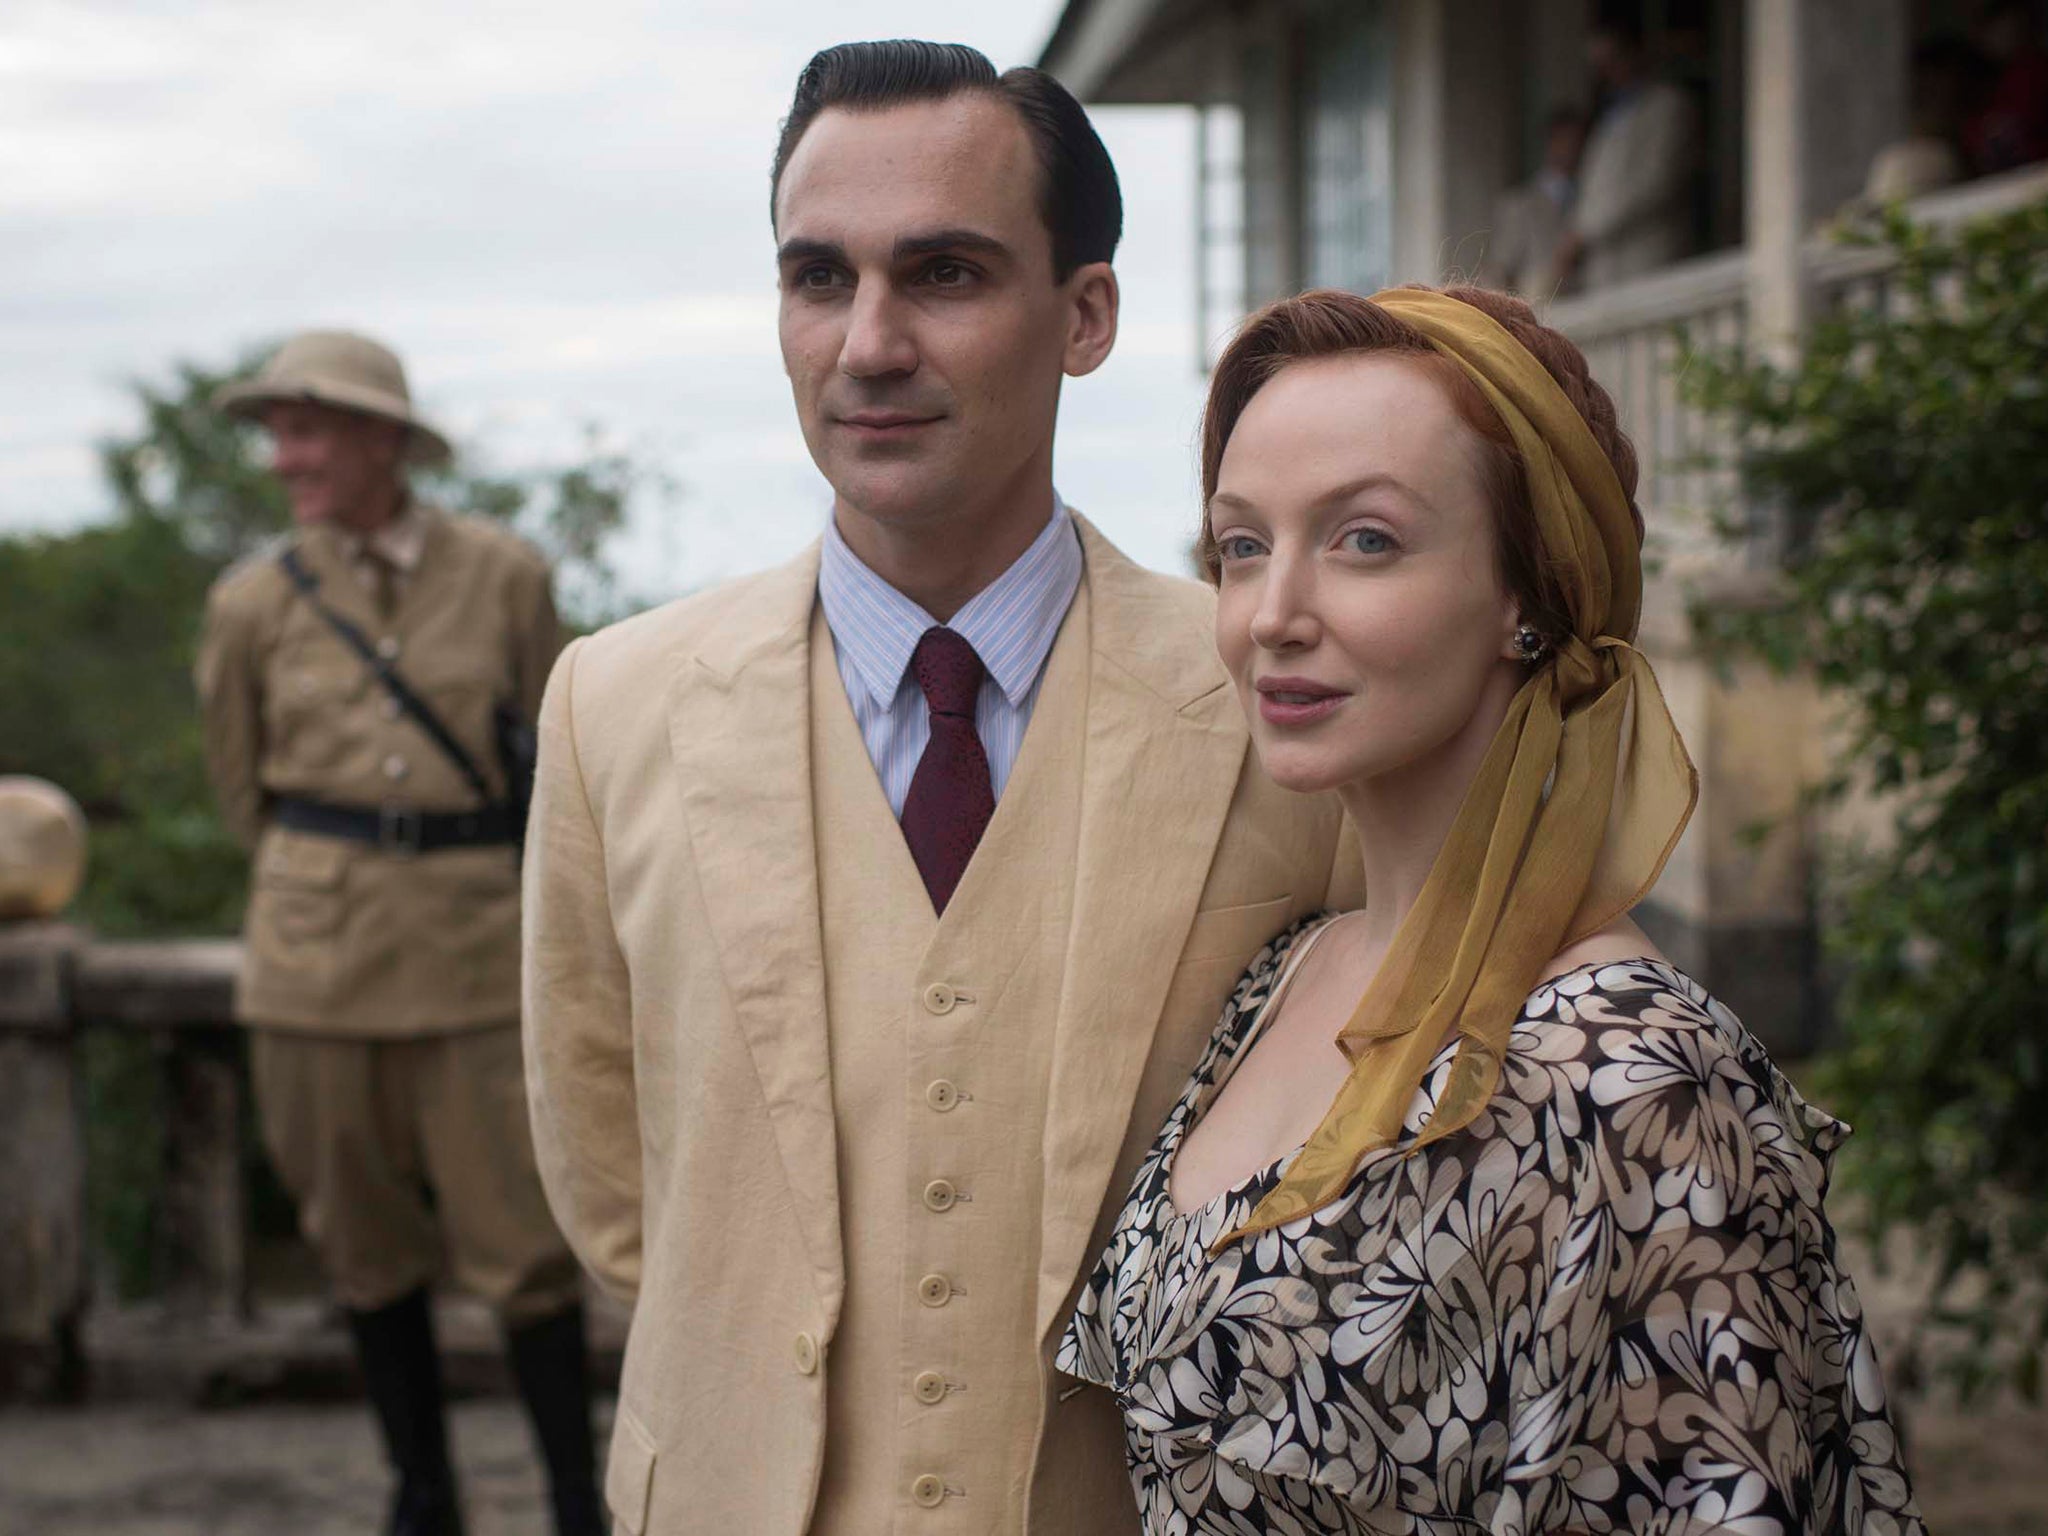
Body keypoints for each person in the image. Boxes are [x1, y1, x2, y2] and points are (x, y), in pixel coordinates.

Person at [521, 40, 1358, 1536]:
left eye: (946, 274)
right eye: (819, 278)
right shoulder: (616, 704)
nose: (869, 344)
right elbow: (616, 1188)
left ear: (1084, 314)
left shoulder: (1272, 696)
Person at [1059, 285, 1928, 1535]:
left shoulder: (1630, 1085)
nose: (1271, 616)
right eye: (1239, 547)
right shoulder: (1285, 976)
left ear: (1528, 593)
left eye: (1364, 540)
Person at [196, 330, 603, 1536]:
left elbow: (554, 760)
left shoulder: (503, 576)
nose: (285, 459)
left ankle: (575, 1503)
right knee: (362, 1253)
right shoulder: (249, 601)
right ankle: (420, 1496)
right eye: (275, 433)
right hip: (312, 970)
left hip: (477, 956)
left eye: (307, 430)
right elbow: (238, 790)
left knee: (524, 1253)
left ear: (382, 437)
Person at [1556, 15, 1700, 289]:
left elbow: (1655, 183)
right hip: (1605, 268)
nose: (1608, 74)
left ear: (1634, 53)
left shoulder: (1668, 107)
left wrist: (1586, 230)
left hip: (1646, 257)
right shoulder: (1609, 116)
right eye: (1600, 67)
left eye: (1612, 61)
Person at [1478, 107, 1586, 299]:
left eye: (1578, 141)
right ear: (1550, 143)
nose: (1571, 147)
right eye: (1564, 139)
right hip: (1538, 308)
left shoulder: (1590, 198)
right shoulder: (1519, 205)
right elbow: (1498, 272)